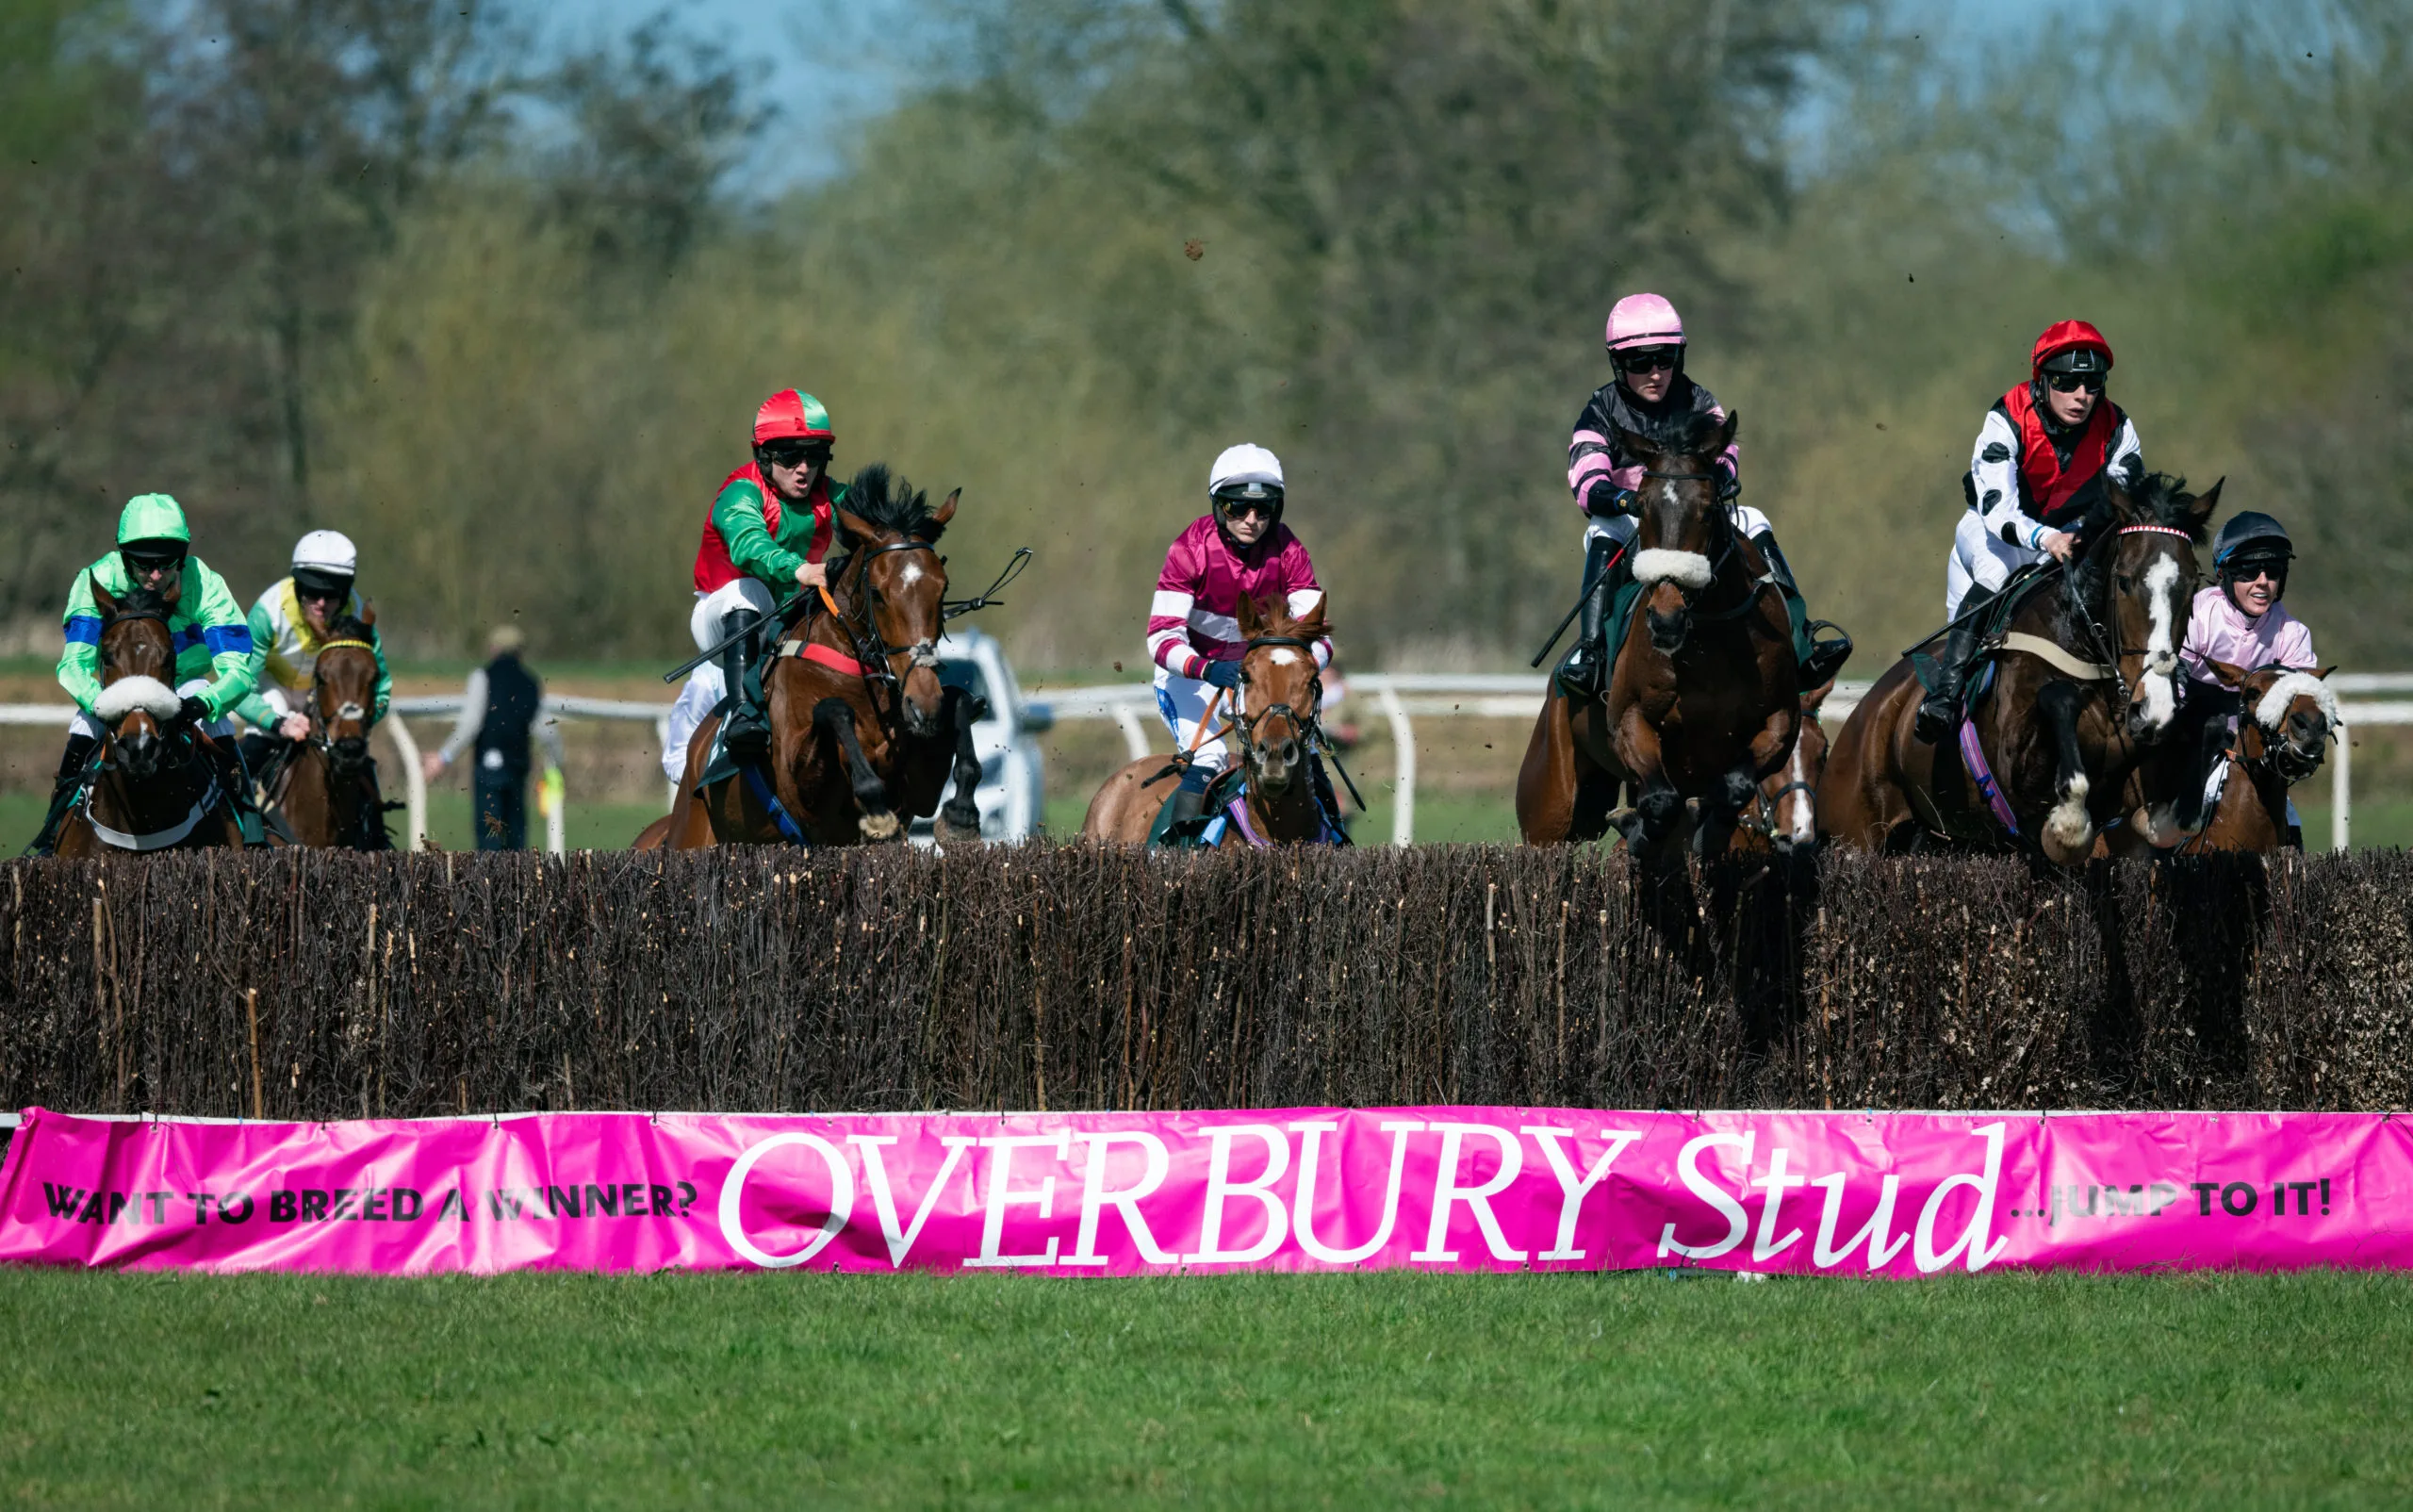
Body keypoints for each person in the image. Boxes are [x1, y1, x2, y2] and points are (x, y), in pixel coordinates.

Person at [1562, 292, 1851, 698]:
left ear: (1678, 356)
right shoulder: (1600, 409)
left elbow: (1726, 455)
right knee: (1602, 529)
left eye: (1664, 359)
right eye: (1639, 362)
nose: (1655, 373)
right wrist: (1628, 501)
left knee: (1755, 518)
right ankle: (1592, 653)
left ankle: (1803, 644)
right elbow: (1586, 481)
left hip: (1693, 516)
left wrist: (1714, 483)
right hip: (1636, 516)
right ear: (1618, 363)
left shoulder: (1699, 401)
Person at [1919, 319, 2146, 741]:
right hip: (1994, 535)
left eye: (2093, 384)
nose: (2081, 396)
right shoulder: (2006, 417)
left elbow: (2123, 502)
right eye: (2067, 382)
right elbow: (1998, 511)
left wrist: (2081, 535)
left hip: (2070, 535)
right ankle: (1944, 696)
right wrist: (2047, 538)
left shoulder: (2118, 428)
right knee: (1996, 572)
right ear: (2042, 381)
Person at [28, 493, 261, 853]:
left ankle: (252, 832)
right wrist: (100, 701)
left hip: (182, 683)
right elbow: (74, 666)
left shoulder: (206, 584)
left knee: (218, 724)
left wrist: (203, 703)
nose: (155, 576)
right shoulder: (96, 580)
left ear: (182, 558)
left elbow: (238, 672)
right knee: (84, 725)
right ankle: (51, 834)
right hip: (117, 687)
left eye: (166, 565)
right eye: (144, 565)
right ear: (124, 557)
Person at [1146, 443, 1337, 831]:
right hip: (1193, 677)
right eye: (1238, 508)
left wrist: (1299, 668)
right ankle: (1173, 859)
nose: (1252, 520)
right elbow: (1161, 639)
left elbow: (1321, 637)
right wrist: (1207, 668)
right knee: (1210, 757)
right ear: (1219, 506)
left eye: (1263, 510)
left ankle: (1336, 843)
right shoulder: (1189, 549)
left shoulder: (1289, 550)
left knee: (1306, 755)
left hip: (1257, 680)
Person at [665, 388, 852, 781]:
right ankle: (742, 715)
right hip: (723, 625)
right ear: (764, 456)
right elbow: (750, 545)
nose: (804, 469)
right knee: (748, 592)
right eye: (790, 456)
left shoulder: (829, 495)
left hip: (789, 626)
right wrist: (800, 569)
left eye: (814, 456)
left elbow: (877, 522)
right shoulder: (740, 492)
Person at [2171, 511, 2320, 833]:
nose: (2263, 581)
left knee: (2290, 825)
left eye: (2273, 571)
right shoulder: (2196, 614)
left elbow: (2301, 706)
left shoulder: (2293, 634)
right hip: (2188, 735)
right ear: (2224, 574)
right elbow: (2172, 689)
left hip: (2250, 741)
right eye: (2250, 571)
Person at [233, 529, 393, 785]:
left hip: (327, 697)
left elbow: (382, 690)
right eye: (311, 592)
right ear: (297, 585)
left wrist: (355, 719)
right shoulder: (268, 612)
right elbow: (239, 688)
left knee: (359, 761)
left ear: (345, 591)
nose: (320, 603)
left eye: (331, 595)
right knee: (261, 740)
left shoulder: (358, 617)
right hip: (273, 690)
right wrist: (279, 723)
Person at [422, 625, 564, 850]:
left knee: (489, 841)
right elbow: (548, 732)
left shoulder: (482, 677)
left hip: (488, 770)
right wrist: (557, 767)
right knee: (516, 840)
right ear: (520, 651)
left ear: (494, 648)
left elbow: (471, 725)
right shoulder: (530, 681)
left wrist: (443, 757)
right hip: (517, 768)